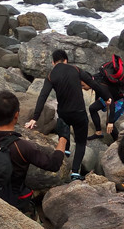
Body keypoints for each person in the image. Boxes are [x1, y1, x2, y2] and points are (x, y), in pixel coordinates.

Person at [0, 91, 69, 216]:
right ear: (16, 115)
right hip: (10, 203)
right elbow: (53, 164)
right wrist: (63, 138)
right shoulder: (22, 147)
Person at [25, 49, 95, 181]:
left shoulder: (52, 75)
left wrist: (35, 118)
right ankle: (75, 172)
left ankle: (65, 151)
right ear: (66, 60)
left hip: (63, 113)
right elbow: (91, 82)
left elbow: (42, 96)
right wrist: (107, 97)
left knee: (63, 129)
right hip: (79, 112)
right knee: (80, 143)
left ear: (53, 62)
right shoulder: (75, 70)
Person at [87, 70, 124, 142]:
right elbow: (98, 93)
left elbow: (112, 103)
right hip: (109, 95)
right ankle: (98, 133)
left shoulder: (100, 86)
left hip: (121, 99)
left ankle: (118, 142)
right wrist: (98, 103)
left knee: (109, 123)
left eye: (83, 85)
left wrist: (110, 122)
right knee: (92, 108)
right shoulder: (95, 80)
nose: (82, 88)